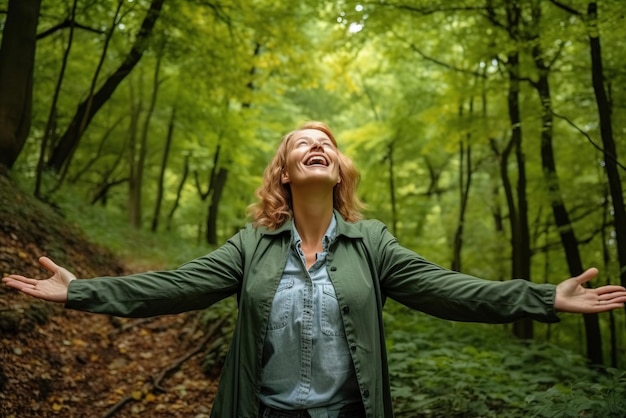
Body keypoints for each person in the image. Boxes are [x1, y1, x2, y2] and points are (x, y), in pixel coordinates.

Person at [3, 121, 626, 418]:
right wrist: (80, 290)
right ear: (285, 171)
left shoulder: (372, 243)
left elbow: (450, 291)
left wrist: (543, 297)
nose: (317, 142)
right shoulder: (250, 246)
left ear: (339, 169)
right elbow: (171, 286)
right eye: (302, 141)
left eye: (326, 140)